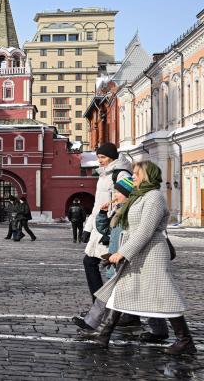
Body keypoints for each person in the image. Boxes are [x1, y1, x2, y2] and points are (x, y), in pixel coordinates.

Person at [82, 161, 196, 355]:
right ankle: (103, 333)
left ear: (148, 176)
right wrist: (118, 250)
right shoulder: (140, 196)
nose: (133, 176)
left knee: (164, 294)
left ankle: (185, 340)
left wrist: (123, 253)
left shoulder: (154, 197)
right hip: (138, 252)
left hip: (151, 254)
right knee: (119, 291)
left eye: (137, 173)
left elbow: (145, 231)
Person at [81, 142, 131, 302]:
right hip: (100, 226)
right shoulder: (104, 175)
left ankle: (104, 308)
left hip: (111, 229)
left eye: (103, 157)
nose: (100, 160)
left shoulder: (122, 175)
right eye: (98, 157)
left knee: (110, 269)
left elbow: (125, 202)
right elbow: (97, 205)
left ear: (112, 157)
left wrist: (114, 225)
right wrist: (88, 228)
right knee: (92, 263)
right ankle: (102, 307)